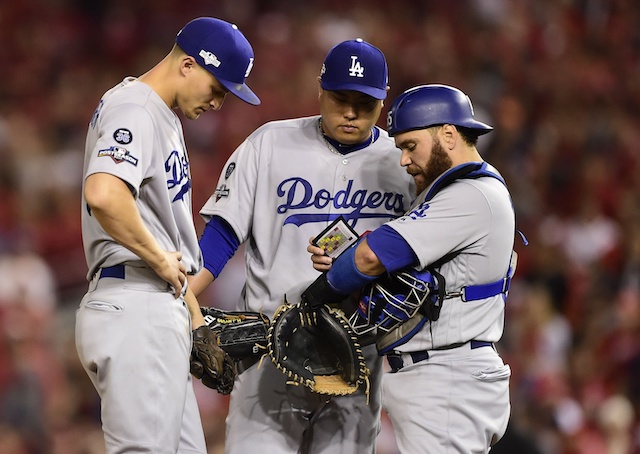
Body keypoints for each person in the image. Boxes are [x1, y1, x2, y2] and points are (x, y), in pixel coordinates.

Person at [189, 39, 415, 453]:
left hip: (357, 361)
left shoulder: (402, 163)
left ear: (384, 102)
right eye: (340, 98)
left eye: (364, 103)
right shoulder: (270, 144)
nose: (350, 112)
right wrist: (183, 299)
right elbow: (223, 234)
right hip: (268, 353)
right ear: (320, 89)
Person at [75, 17, 260, 454]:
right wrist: (160, 260)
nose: (218, 104)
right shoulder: (137, 109)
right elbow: (103, 193)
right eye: (217, 89)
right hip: (136, 299)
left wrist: (195, 322)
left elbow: (163, 234)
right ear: (188, 65)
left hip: (156, 301)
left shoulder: (160, 116)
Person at [303, 84, 517, 453]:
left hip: (448, 376)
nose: (403, 159)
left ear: (448, 134)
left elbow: (370, 256)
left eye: (409, 145)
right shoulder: (455, 191)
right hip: (442, 374)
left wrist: (313, 300)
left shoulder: (471, 194)